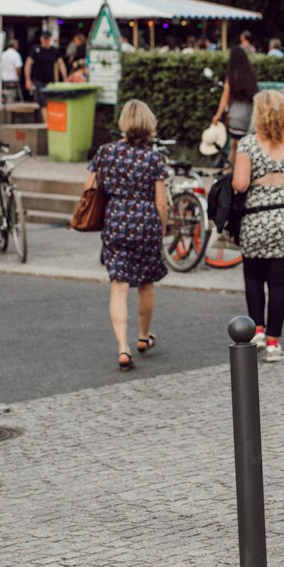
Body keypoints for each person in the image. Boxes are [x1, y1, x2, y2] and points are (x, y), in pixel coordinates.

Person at [84, 99, 168, 371]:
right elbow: (161, 203)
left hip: (116, 220)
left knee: (118, 286)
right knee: (146, 283)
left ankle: (123, 348)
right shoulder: (154, 157)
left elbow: (89, 189)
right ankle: (143, 337)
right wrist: (161, 229)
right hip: (146, 221)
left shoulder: (106, 152)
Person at [232, 90, 284, 361]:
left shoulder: (248, 145)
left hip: (256, 219)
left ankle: (256, 331)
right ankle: (274, 344)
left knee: (254, 278)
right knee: (279, 284)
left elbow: (240, 184)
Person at [210, 45, 259, 158]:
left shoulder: (231, 76)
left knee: (235, 145)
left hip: (235, 114)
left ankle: (232, 170)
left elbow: (225, 97)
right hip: (249, 113)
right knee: (244, 145)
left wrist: (218, 115)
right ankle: (237, 169)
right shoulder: (250, 75)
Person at [25, 30, 68, 103]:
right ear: (41, 39)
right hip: (39, 80)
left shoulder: (55, 50)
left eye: (47, 38)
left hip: (51, 81)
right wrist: (28, 79)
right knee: (43, 101)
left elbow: (61, 64)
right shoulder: (35, 50)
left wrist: (65, 77)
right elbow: (28, 63)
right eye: (44, 38)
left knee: (51, 100)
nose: (45, 40)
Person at [0, 37, 23, 101]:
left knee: (5, 90)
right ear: (14, 45)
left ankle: (5, 99)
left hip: (3, 78)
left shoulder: (2, 54)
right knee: (13, 91)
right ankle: (11, 100)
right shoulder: (16, 55)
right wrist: (19, 76)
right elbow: (18, 68)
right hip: (13, 78)